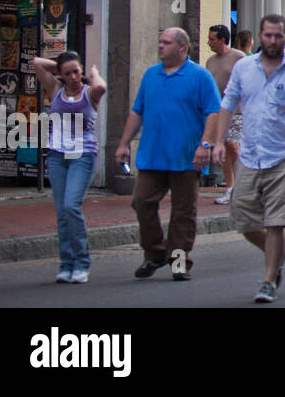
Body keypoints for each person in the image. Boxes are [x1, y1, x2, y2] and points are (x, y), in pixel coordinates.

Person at [212, 15, 285, 304]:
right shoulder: (244, 68)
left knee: (276, 221)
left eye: (278, 36)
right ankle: (277, 256)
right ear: (259, 36)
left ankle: (269, 279)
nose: (273, 41)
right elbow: (228, 103)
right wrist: (219, 141)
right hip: (249, 155)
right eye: (268, 35)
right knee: (243, 218)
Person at [114, 28, 222, 280]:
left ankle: (179, 263)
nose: (160, 46)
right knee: (141, 201)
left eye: (166, 42)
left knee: (183, 212)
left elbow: (213, 112)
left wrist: (204, 145)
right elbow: (137, 111)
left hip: (186, 156)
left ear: (182, 47)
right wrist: (123, 144)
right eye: (159, 41)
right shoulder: (151, 75)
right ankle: (154, 253)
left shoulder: (200, 76)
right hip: (152, 154)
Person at [33, 51, 106, 284]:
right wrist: (59, 66)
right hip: (57, 156)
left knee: (71, 206)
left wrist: (92, 73)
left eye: (76, 71)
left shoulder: (89, 93)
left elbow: (102, 87)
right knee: (62, 213)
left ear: (82, 70)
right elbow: (36, 63)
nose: (74, 76)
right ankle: (66, 264)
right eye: (68, 73)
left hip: (82, 156)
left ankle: (82, 262)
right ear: (61, 76)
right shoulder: (55, 91)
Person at [205, 25, 245, 205]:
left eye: (212, 39)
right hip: (219, 111)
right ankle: (230, 187)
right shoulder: (210, 62)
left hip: (238, 110)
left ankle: (243, 185)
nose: (209, 42)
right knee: (223, 151)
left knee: (233, 146)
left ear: (222, 40)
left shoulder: (239, 58)